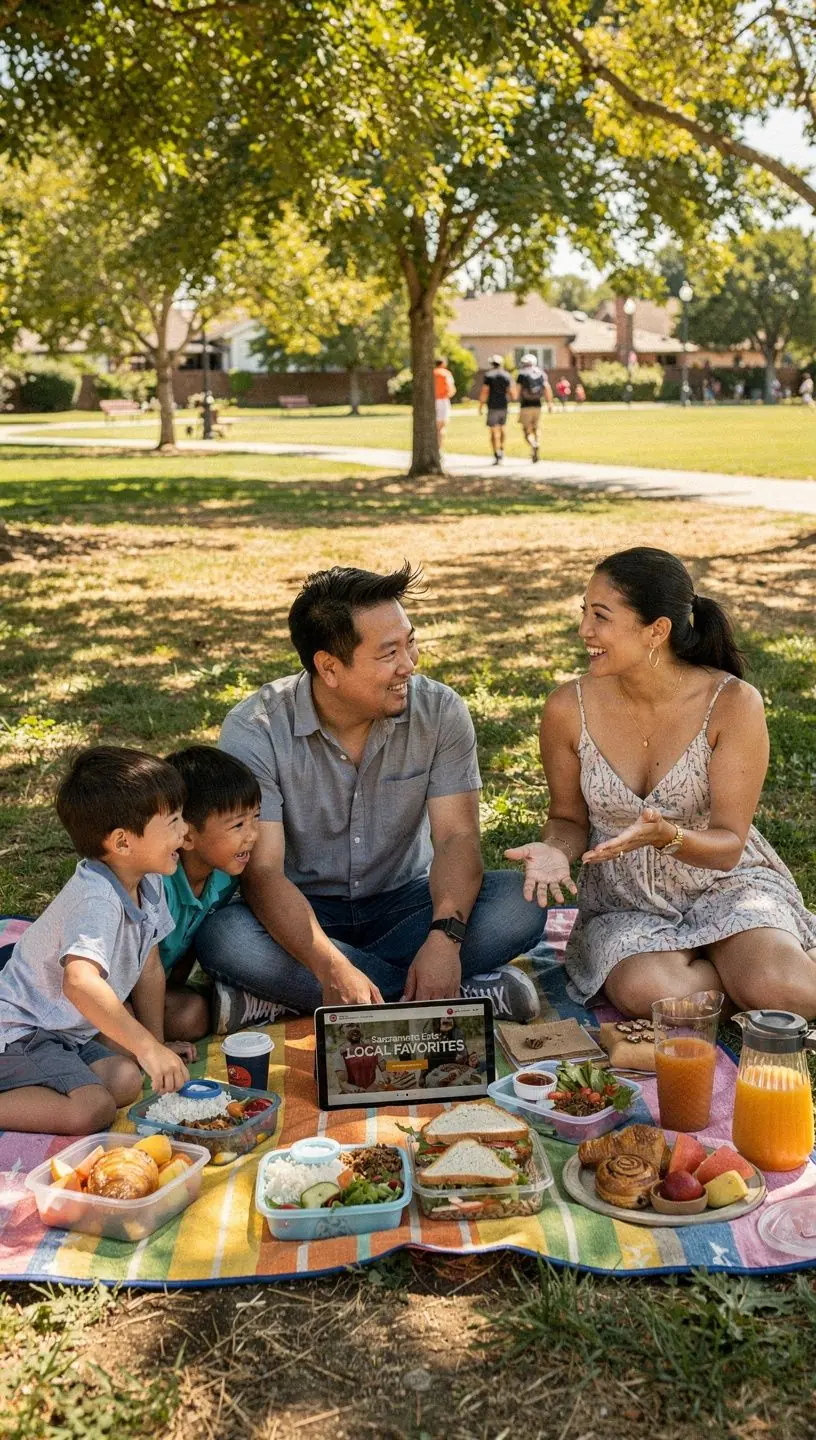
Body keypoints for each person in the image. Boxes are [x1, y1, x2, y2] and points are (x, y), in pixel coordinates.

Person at [195, 563, 546, 1021]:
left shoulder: (439, 711)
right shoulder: (256, 728)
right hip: (302, 913)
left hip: (409, 905)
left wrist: (444, 939)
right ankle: (459, 997)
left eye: (410, 642)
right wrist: (331, 963)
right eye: (389, 654)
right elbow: (263, 872)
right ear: (330, 667)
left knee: (521, 901)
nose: (410, 664)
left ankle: (286, 998)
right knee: (225, 938)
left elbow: (458, 839)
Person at [507, 547, 816, 1019]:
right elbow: (567, 818)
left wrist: (667, 838)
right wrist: (556, 849)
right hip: (626, 902)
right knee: (655, 996)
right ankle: (744, 971)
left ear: (658, 630)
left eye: (601, 616)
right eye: (584, 612)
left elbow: (730, 844)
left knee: (790, 992)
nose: (584, 630)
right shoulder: (567, 708)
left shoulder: (733, 704)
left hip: (726, 885)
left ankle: (756, 963)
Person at [0, 747, 190, 1134]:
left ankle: (42, 1082)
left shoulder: (148, 878)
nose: (185, 832)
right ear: (122, 843)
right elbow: (79, 981)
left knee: (127, 1081)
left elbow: (148, 968)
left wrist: (155, 1042)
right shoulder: (96, 899)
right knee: (92, 1110)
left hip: (68, 1030)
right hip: (20, 1030)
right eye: (172, 822)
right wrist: (146, 1047)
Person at [161, 745, 269, 1036]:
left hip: (158, 987)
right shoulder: (156, 884)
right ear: (187, 836)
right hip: (115, 991)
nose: (253, 835)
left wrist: (176, 989)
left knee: (193, 1016)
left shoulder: (223, 877)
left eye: (255, 818)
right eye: (238, 825)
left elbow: (189, 941)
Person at [478, 354, 513, 465]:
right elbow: (511, 391)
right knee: (503, 429)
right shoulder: (507, 375)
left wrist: (480, 405)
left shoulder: (488, 376)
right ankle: (502, 450)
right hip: (504, 405)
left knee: (493, 431)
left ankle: (496, 454)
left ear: (491, 364)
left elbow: (485, 391)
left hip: (492, 406)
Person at [515, 354, 547, 462]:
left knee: (526, 431)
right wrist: (550, 403)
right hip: (538, 405)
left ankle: (533, 444)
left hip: (525, 405)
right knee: (536, 428)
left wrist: (514, 398)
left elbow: (517, 390)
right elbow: (547, 388)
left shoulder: (522, 374)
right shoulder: (540, 373)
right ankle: (537, 443)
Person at [433, 356, 456, 449]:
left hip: (432, 401)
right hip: (443, 400)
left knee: (434, 427)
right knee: (441, 427)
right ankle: (439, 449)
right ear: (443, 364)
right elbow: (452, 389)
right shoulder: (446, 373)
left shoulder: (432, 373)